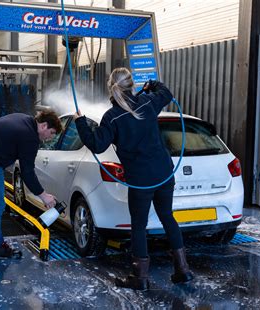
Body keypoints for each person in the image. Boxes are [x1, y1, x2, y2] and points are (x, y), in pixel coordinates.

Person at [74, 67, 193, 290]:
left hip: (141, 179)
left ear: (111, 87)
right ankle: (183, 270)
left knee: (139, 226)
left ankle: (140, 278)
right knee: (167, 217)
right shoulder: (148, 102)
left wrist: (80, 121)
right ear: (132, 84)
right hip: (164, 173)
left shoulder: (112, 117)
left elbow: (97, 145)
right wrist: (153, 85)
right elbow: (167, 94)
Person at [0, 111, 62, 259]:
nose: (51, 138)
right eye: (52, 132)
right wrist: (44, 196)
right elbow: (27, 172)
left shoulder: (25, 119)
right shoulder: (30, 137)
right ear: (43, 126)